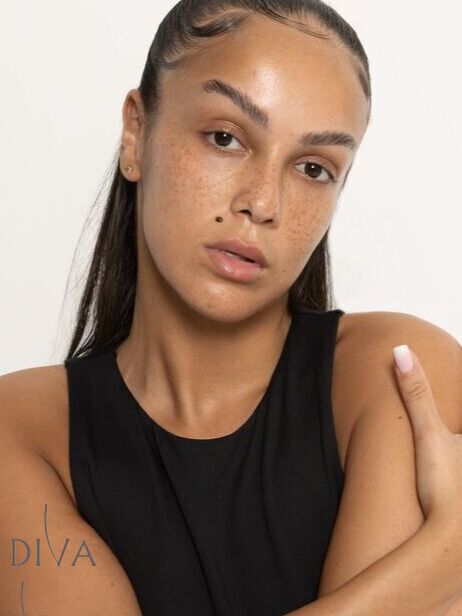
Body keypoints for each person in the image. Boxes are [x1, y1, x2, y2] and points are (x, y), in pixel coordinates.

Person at [1, 0, 461, 614]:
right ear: (136, 133)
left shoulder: (398, 373)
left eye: (314, 168)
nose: (262, 203)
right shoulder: (21, 431)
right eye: (226, 138)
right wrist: (434, 564)